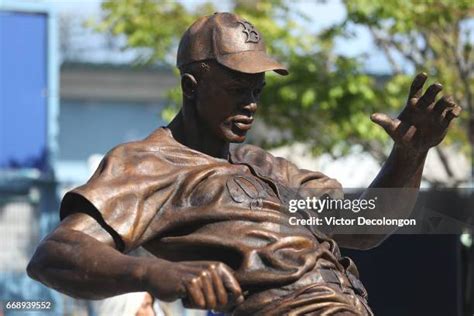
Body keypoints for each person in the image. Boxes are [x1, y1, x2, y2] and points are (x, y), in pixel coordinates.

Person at [27, 12, 461, 315]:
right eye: (237, 88)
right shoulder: (148, 163)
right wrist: (159, 273)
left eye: (257, 89)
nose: (251, 103)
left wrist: (410, 154)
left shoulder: (273, 168)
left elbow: (366, 228)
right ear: (191, 86)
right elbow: (55, 254)